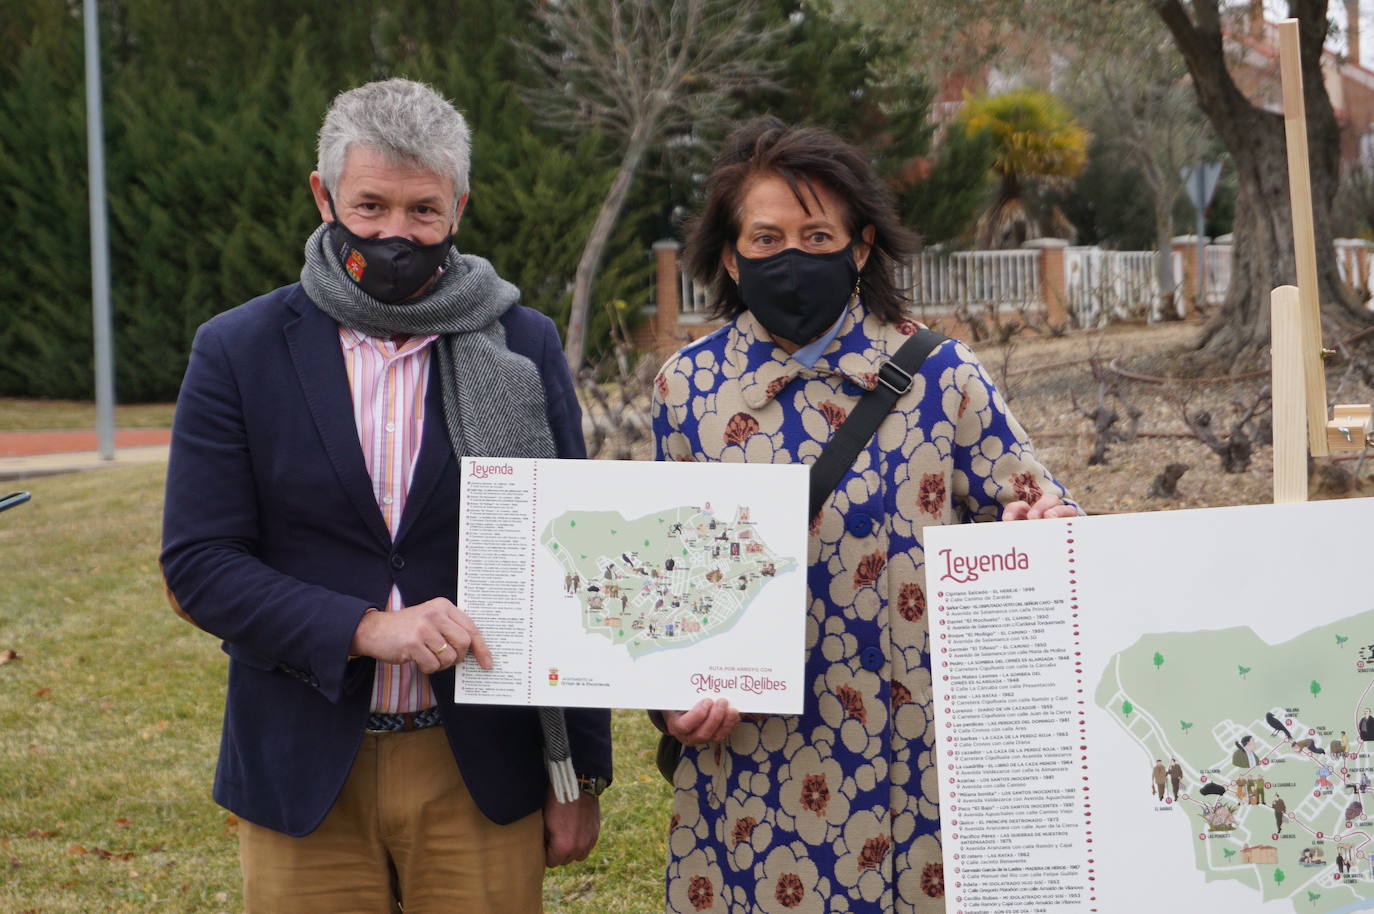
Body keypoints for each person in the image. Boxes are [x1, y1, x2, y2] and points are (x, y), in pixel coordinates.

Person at [160, 78, 611, 913]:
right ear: (324, 196)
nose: (395, 233)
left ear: (459, 207)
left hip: (480, 769)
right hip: (303, 767)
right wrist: (366, 629)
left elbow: (572, 561)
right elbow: (200, 564)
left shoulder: (524, 345)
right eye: (370, 207)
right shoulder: (238, 350)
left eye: (423, 210)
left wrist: (576, 773)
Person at [650, 119, 1077, 914]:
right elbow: (665, 580)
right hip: (753, 765)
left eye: (817, 236)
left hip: (916, 760)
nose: (791, 256)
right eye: (766, 237)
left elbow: (1041, 513)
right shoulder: (687, 388)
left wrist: (1043, 530)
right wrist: (671, 700)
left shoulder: (940, 375)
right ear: (732, 256)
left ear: (859, 247)